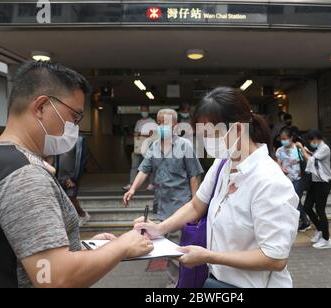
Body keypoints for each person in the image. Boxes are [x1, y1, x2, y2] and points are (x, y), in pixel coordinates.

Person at [0, 61, 153, 288]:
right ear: (41, 107)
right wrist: (122, 246)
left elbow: (14, 251)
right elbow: (55, 278)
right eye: (74, 116)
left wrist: (81, 247)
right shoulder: (25, 176)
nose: (75, 127)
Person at [134, 87, 300, 288]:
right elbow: (197, 206)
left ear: (238, 129)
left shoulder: (270, 181)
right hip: (217, 282)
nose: (206, 142)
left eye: (211, 135)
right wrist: (159, 229)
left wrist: (209, 257)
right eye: (203, 135)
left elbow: (275, 258)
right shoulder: (223, 163)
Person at [123, 109, 204, 221]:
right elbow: (144, 170)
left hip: (180, 203)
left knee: (178, 237)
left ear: (175, 126)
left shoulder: (185, 145)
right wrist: (132, 190)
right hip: (161, 202)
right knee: (164, 236)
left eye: (165, 123)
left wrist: (195, 204)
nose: (161, 126)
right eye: (159, 123)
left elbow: (193, 176)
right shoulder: (154, 146)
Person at [297, 130, 331, 249]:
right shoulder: (319, 148)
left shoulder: (325, 148)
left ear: (318, 138)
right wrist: (308, 151)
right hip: (315, 182)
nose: (311, 143)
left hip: (323, 183)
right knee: (307, 206)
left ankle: (326, 239)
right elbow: (314, 159)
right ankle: (320, 229)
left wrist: (302, 148)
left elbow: (311, 161)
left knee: (320, 210)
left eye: (312, 140)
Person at [276, 128, 310, 232]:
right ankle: (304, 221)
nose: (283, 141)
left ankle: (300, 222)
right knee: (294, 201)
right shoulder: (280, 150)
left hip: (298, 179)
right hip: (286, 180)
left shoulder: (297, 148)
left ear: (291, 138)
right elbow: (278, 163)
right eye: (281, 139)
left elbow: (306, 160)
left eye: (285, 138)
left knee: (295, 199)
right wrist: (281, 169)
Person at [56, 135, 90, 226]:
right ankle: (68, 219)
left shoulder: (79, 140)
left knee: (71, 198)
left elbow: (82, 161)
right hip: (58, 175)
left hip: (71, 176)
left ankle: (82, 215)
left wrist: (74, 178)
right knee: (60, 199)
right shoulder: (57, 138)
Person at [123, 105, 157, 192]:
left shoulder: (152, 122)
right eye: (142, 110)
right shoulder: (139, 122)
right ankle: (131, 184)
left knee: (149, 166)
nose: (144, 112)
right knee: (134, 166)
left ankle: (151, 184)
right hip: (138, 148)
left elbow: (154, 134)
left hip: (148, 148)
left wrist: (141, 133)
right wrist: (137, 134)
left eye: (145, 110)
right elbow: (136, 132)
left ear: (148, 110)